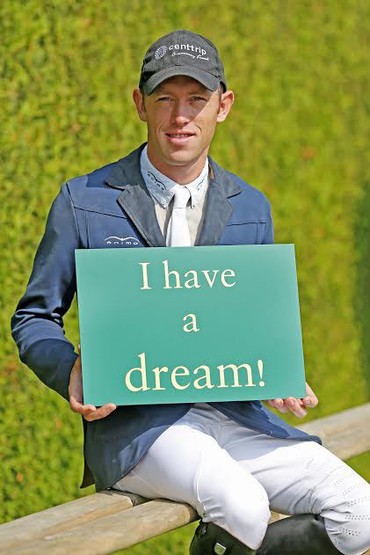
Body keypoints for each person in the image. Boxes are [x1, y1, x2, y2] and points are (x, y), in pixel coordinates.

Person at [11, 30, 370, 555]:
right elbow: (34, 318)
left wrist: (274, 376)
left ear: (222, 106)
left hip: (237, 417)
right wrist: (69, 369)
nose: (181, 116)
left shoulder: (251, 206)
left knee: (359, 514)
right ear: (139, 105)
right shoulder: (83, 200)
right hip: (142, 429)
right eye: (165, 99)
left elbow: (246, 326)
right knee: (243, 505)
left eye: (196, 100)